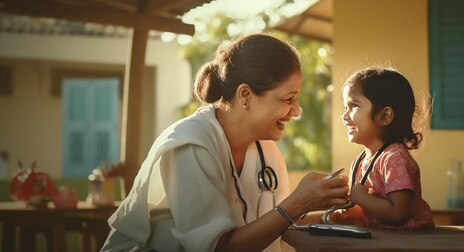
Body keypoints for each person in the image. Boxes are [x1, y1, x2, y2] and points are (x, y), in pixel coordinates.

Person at [102, 33, 349, 252]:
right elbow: (218, 247)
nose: (296, 111)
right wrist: (298, 202)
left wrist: (336, 217)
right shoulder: (190, 145)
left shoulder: (266, 149)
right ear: (245, 95)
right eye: (288, 98)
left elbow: (276, 225)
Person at [333, 66, 434, 230]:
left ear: (384, 116)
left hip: (409, 242)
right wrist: (348, 215)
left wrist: (361, 198)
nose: (344, 116)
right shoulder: (360, 160)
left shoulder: (395, 158)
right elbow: (370, 210)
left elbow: (398, 214)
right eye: (345, 107)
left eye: (354, 106)